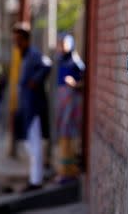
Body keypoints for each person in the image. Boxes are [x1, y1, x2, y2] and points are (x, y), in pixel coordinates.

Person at [12, 22, 51, 192]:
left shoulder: (34, 54)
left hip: (34, 107)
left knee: (34, 145)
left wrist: (36, 80)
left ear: (26, 40)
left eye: (19, 40)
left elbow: (47, 65)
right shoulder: (25, 55)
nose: (17, 43)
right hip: (26, 108)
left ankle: (36, 181)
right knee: (30, 145)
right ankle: (34, 178)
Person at [55, 34, 85, 184]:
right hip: (62, 102)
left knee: (70, 134)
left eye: (63, 44)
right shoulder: (61, 60)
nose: (60, 46)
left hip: (71, 104)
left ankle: (70, 171)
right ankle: (63, 170)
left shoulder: (76, 62)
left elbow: (84, 81)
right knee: (63, 134)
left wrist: (75, 84)